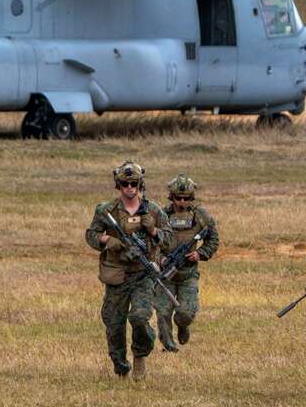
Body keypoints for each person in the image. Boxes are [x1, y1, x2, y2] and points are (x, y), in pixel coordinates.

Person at [84, 161, 172, 379]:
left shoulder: (153, 210)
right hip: (117, 275)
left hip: (143, 275)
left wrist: (153, 231)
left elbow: (170, 240)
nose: (130, 188)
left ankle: (140, 355)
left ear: (140, 184)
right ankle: (121, 366)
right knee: (114, 325)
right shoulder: (107, 210)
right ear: (119, 185)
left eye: (134, 184)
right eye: (125, 184)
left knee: (140, 318)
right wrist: (107, 240)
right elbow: (91, 235)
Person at [153, 174, 218, 352]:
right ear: (171, 197)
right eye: (178, 198)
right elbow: (151, 242)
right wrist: (160, 258)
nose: (182, 202)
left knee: (185, 314)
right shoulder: (162, 215)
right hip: (165, 274)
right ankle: (169, 347)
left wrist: (200, 253)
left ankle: (182, 325)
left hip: (188, 274)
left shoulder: (200, 215)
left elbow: (213, 239)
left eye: (186, 198)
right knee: (163, 312)